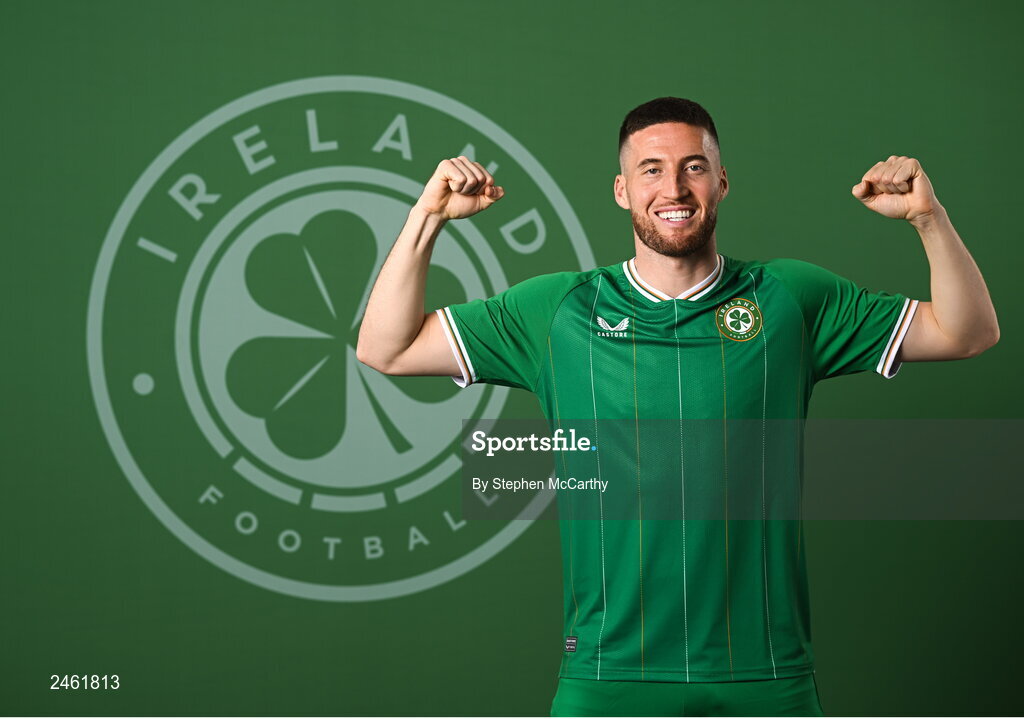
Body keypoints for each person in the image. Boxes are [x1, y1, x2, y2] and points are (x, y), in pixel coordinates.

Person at [356, 97, 999, 717]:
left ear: (722, 183)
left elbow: (967, 333)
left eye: (694, 167)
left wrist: (928, 219)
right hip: (607, 675)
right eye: (651, 170)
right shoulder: (556, 311)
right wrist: (428, 215)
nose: (675, 189)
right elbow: (387, 347)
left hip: (766, 674)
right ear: (621, 190)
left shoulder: (789, 299)